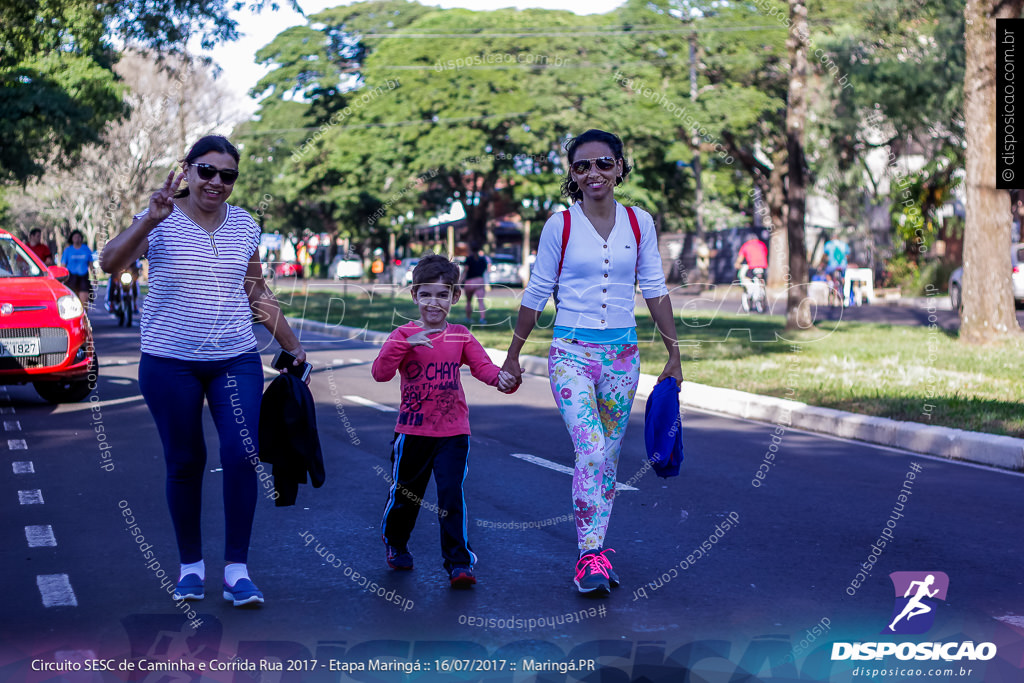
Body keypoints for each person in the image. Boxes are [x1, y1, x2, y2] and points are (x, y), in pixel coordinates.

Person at [100, 135, 307, 608]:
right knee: (185, 461)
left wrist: (293, 348)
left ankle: (237, 572)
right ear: (187, 170)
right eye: (207, 171)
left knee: (240, 454)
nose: (216, 182)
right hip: (169, 362)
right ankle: (191, 567)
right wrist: (148, 220)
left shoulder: (245, 226)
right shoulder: (158, 216)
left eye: (227, 175)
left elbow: (256, 291)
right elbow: (111, 264)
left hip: (235, 358)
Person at [500, 129, 682, 597]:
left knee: (610, 459)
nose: (593, 173)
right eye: (582, 166)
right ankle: (587, 556)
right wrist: (514, 355)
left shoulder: (639, 222)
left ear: (620, 167)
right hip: (570, 355)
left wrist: (673, 352)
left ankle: (596, 550)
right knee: (592, 450)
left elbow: (655, 288)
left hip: (623, 358)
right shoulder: (559, 225)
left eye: (603, 163)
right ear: (572, 176)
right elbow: (537, 292)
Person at [371, 254, 516, 588]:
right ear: (414, 296)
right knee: (407, 494)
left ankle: (459, 562)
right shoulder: (402, 335)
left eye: (441, 295)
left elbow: (483, 367)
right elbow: (379, 374)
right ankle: (395, 542)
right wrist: (404, 346)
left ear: (454, 297)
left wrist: (502, 379)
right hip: (412, 431)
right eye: (426, 294)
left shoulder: (460, 335)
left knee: (451, 493)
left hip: (454, 432)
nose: (433, 302)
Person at [734, 231, 768, 309]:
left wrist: (737, 264)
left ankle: (751, 293)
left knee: (747, 278)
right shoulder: (761, 244)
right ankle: (761, 292)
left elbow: (740, 258)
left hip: (752, 267)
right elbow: (765, 254)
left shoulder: (746, 246)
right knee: (761, 280)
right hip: (763, 266)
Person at [60, 230, 95, 308]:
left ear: (81, 239)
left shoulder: (86, 249)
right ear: (72, 239)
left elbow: (91, 265)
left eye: (79, 237)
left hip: (83, 277)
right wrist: (61, 278)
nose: (77, 239)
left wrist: (95, 276)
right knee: (72, 301)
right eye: (75, 237)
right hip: (71, 278)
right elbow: (63, 265)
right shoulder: (68, 250)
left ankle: (84, 317)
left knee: (84, 302)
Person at [461, 242, 490, 324]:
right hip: (479, 281)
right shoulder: (483, 259)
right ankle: (482, 318)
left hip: (469, 282)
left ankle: (468, 317)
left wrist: (460, 280)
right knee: (481, 301)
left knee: (468, 301)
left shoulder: (469, 259)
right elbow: (486, 269)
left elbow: (466, 270)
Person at [822, 234, 849, 304]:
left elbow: (824, 255)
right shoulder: (844, 244)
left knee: (827, 273)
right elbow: (847, 255)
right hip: (842, 266)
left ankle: (830, 283)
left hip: (832, 265)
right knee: (843, 277)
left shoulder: (828, 244)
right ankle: (842, 286)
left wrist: (822, 263)